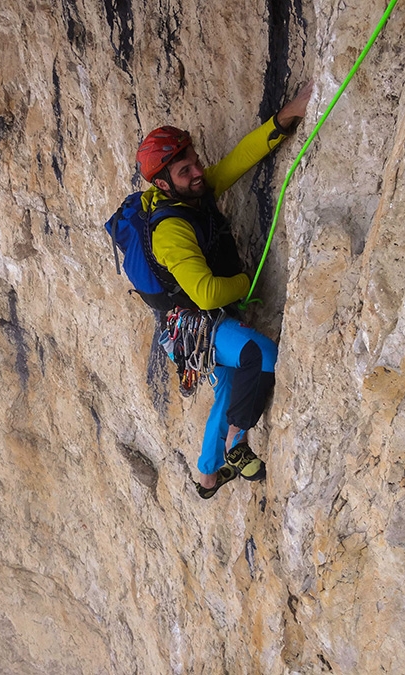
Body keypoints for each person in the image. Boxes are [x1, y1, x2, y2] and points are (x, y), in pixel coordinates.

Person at [135, 82, 312, 498]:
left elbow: (239, 159)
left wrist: (289, 114)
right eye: (185, 171)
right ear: (162, 184)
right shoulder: (171, 229)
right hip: (192, 324)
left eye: (195, 162)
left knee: (230, 386)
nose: (198, 172)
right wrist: (246, 282)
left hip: (196, 320)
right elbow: (207, 295)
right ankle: (236, 440)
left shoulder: (191, 195)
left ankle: (208, 475)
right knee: (259, 354)